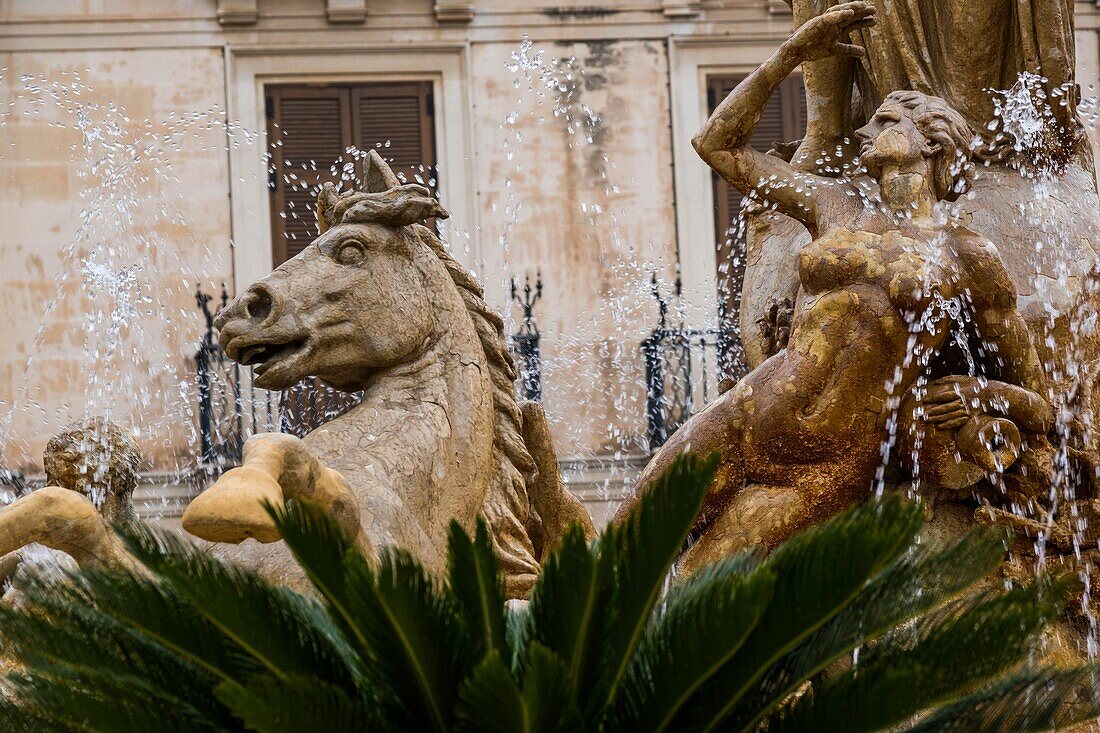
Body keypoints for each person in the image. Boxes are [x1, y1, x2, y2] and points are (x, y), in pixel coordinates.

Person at [615, 2, 1052, 571]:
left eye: (888, 122)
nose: (866, 128)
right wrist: (789, 56)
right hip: (750, 412)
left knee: (702, 587)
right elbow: (717, 145)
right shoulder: (833, 204)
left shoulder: (968, 257)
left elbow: (1039, 403)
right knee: (615, 555)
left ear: (933, 141)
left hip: (833, 459)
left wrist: (983, 395)